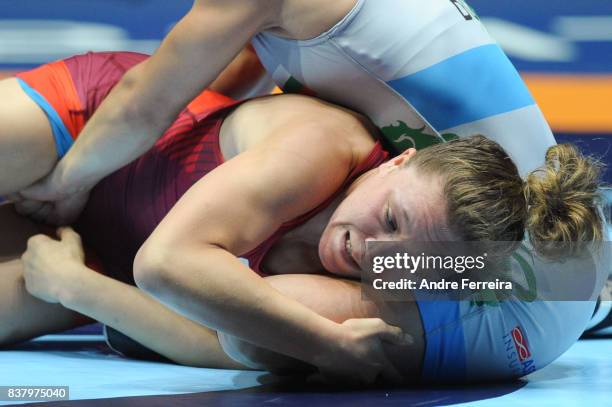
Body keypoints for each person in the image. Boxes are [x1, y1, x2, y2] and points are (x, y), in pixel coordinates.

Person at [1, 52, 606, 384]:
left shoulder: (368, 291)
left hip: (95, 259)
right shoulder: (321, 145)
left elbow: (219, 342)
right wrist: (328, 346)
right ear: (394, 164)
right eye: (390, 219)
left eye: (404, 260)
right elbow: (164, 266)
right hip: (90, 137)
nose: (371, 251)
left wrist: (79, 289)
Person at [15, 0, 556, 225]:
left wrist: (67, 183)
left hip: (485, 264)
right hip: (551, 251)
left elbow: (144, 101)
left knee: (218, 294)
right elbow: (234, 66)